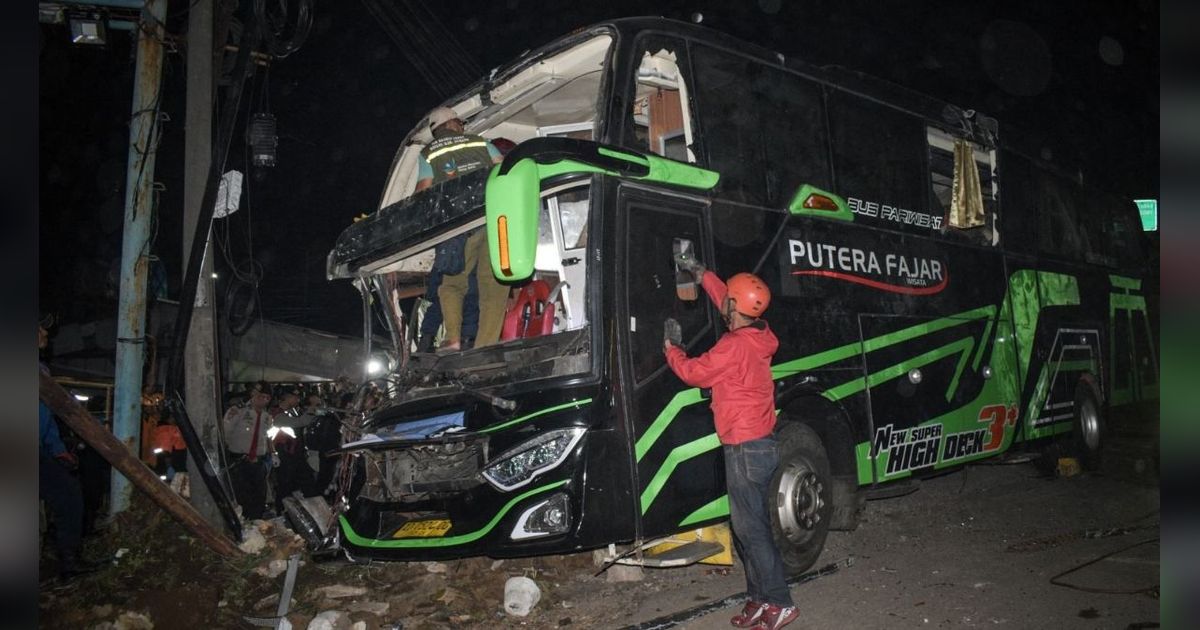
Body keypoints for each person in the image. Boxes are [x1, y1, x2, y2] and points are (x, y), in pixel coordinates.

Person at [662, 256, 798, 630]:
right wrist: (701, 273)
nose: (724, 302)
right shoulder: (759, 336)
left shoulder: (735, 346)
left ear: (736, 308)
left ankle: (780, 602)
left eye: (728, 301)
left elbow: (694, 372)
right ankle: (759, 599)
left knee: (751, 531)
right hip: (758, 445)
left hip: (744, 448)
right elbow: (728, 296)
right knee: (748, 529)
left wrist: (671, 347)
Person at [413, 107, 511, 351]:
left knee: (452, 284)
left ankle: (453, 338)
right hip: (493, 219)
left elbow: (424, 191)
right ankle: (485, 346)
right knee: (494, 285)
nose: (463, 127)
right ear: (453, 124)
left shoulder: (429, 152)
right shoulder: (482, 143)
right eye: (460, 123)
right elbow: (505, 172)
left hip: (459, 226)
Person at [38, 321, 98, 580]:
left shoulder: (41, 371)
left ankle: (69, 560)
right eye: (39, 329)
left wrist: (58, 449)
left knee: (69, 494)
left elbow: (44, 417)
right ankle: (68, 561)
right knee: (67, 494)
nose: (46, 334)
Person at [222, 381, 274, 520]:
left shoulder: (267, 417)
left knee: (259, 496)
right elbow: (225, 432)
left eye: (267, 397)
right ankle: (242, 522)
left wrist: (272, 453)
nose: (263, 400)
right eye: (260, 395)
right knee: (241, 495)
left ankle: (256, 522)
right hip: (239, 460)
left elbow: (268, 437)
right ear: (253, 395)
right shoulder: (237, 411)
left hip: (259, 461)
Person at [269, 388, 319, 511]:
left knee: (305, 484)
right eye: (295, 397)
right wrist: (312, 409)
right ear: (286, 397)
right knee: (285, 486)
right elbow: (300, 423)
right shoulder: (277, 414)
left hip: (295, 455)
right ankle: (281, 511)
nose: (298, 399)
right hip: (285, 455)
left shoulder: (292, 412)